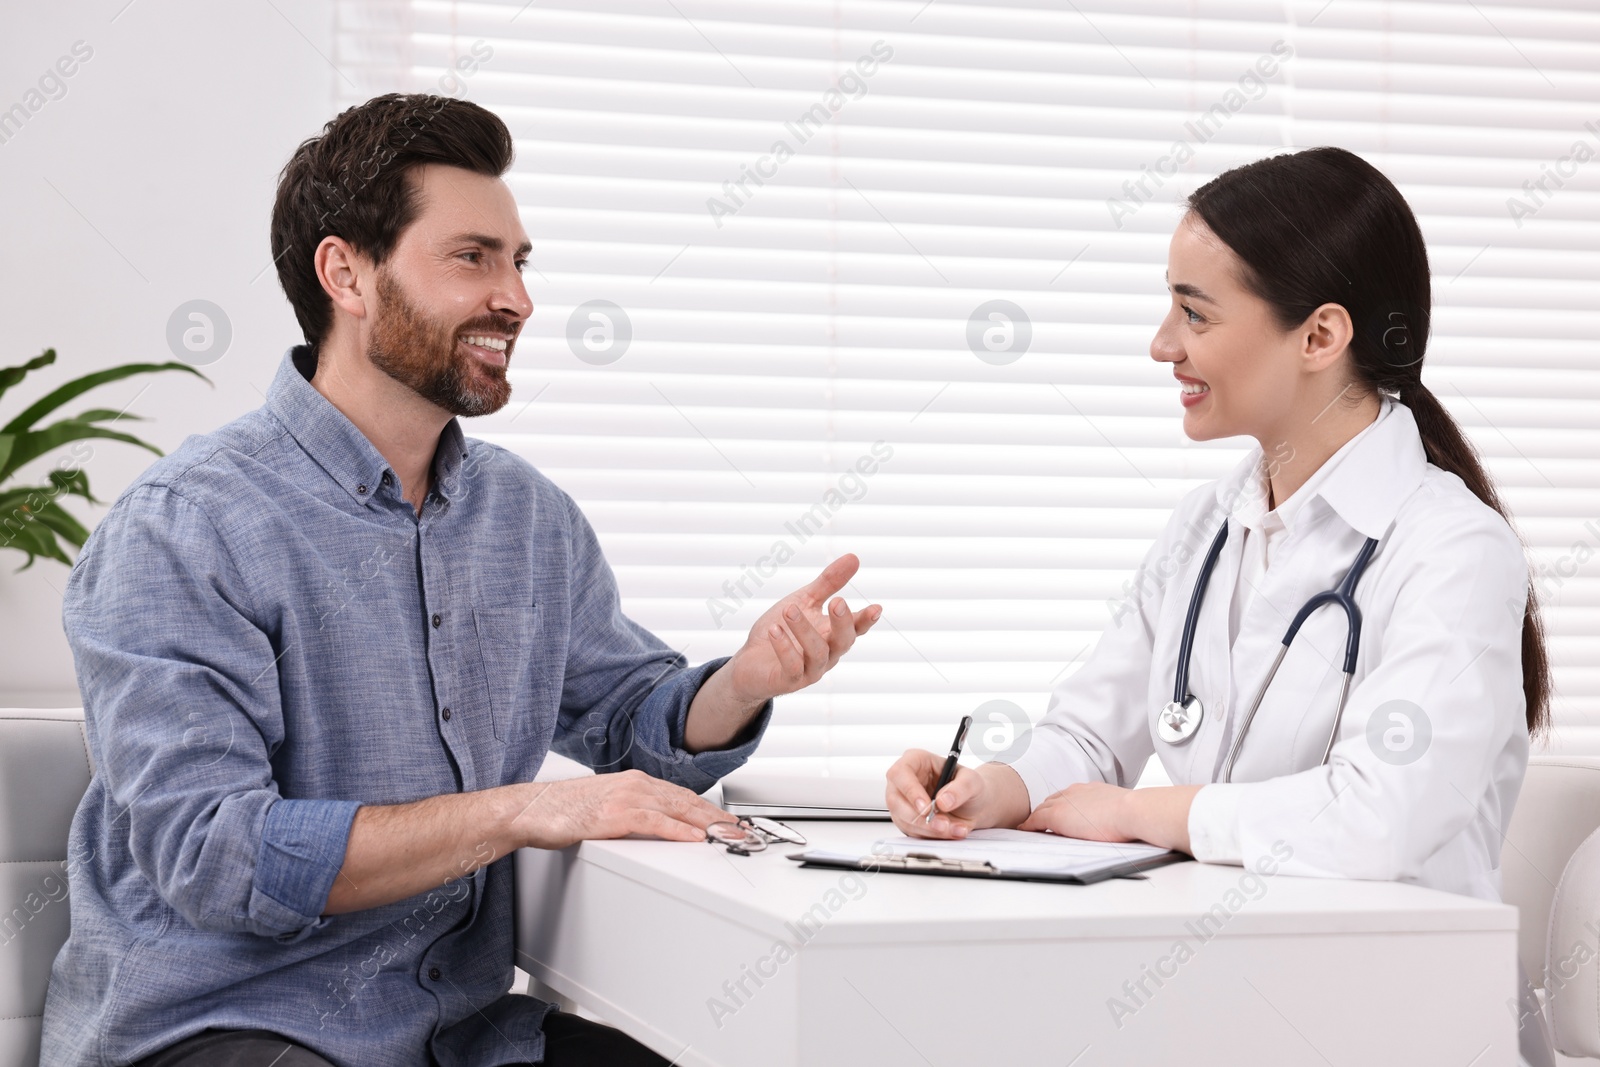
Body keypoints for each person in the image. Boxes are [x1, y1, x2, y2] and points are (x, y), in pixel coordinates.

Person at [41, 93, 880, 1067]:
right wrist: (526, 808)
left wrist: (744, 681)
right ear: (345, 272)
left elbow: (624, 717)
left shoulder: (527, 518)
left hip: (458, 1030)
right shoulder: (186, 526)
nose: (516, 297)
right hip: (224, 1024)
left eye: (518, 262)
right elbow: (213, 854)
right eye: (471, 256)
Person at [886, 146, 1550, 901]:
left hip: (1388, 989)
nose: (1163, 343)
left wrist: (1147, 811)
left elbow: (1381, 814)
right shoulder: (1204, 526)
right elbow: (1092, 738)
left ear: (1320, 337)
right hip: (1226, 964)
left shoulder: (1453, 550)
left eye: (1194, 312)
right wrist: (992, 787)